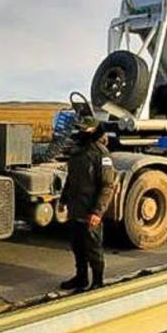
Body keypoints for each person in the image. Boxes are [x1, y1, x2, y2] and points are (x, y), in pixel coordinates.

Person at [59, 117, 118, 292]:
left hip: (90, 210)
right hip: (75, 208)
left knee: (93, 248)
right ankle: (81, 277)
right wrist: (63, 200)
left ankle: (98, 281)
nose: (81, 132)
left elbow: (107, 186)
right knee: (77, 246)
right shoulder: (78, 151)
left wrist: (97, 212)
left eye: (85, 129)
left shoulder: (101, 154)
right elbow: (71, 179)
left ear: (93, 130)